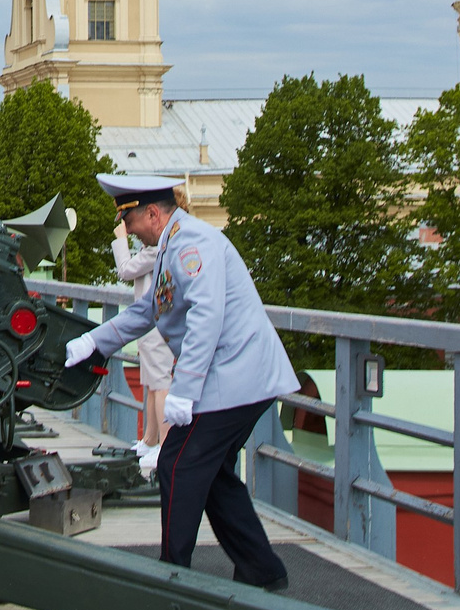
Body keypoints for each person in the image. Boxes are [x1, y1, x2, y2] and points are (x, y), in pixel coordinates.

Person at [65, 172, 299, 588]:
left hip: (236, 378)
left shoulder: (192, 246)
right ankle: (262, 571)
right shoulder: (173, 244)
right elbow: (148, 312)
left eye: (131, 222)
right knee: (213, 474)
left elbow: (207, 318)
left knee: (177, 463)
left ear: (152, 214)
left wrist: (184, 392)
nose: (131, 233)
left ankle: (172, 573)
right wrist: (92, 342)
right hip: (239, 377)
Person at [111, 208, 177, 449]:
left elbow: (125, 270)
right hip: (151, 326)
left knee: (160, 386)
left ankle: (164, 447)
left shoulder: (157, 247)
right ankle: (150, 441)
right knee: (152, 385)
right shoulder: (158, 245)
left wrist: (121, 241)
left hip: (154, 326)